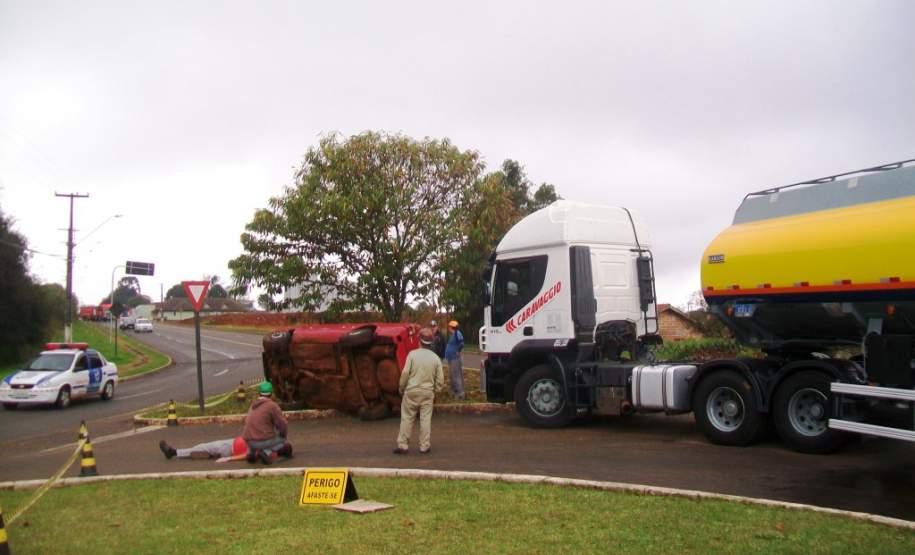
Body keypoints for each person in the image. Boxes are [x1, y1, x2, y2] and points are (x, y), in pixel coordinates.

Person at [394, 327, 444, 455]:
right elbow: (440, 380)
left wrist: (401, 387)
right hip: (427, 392)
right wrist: (435, 390)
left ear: (419, 341)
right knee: (425, 419)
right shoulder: (435, 358)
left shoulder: (412, 355)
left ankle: (403, 445)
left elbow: (405, 373)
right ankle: (424, 446)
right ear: (431, 342)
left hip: (411, 391)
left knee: (407, 417)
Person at [243, 381, 289, 465]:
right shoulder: (272, 405)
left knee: (256, 435)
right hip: (262, 441)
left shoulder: (253, 404)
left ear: (259, 393)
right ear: (271, 393)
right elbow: (283, 425)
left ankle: (251, 453)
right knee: (283, 439)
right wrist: (283, 434)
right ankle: (266, 452)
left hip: (248, 441)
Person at [158, 436, 291, 463]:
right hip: (230, 443)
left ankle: (174, 452)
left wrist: (228, 459)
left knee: (204, 446)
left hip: (229, 448)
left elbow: (247, 455)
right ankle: (177, 452)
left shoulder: (266, 452)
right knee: (204, 447)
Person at [444, 320, 465, 400]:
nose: (448, 328)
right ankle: (454, 391)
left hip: (455, 359)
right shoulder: (452, 334)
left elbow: (462, 343)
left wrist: (458, 351)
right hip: (451, 358)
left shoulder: (457, 333)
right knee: (452, 376)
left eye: (449, 327)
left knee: (456, 376)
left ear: (451, 327)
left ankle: (460, 393)